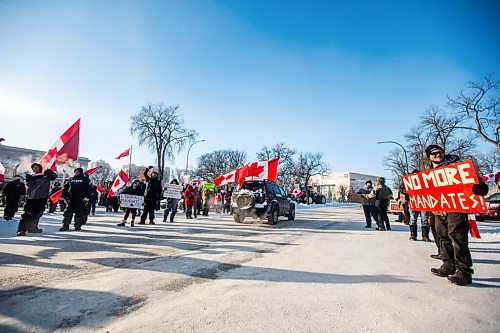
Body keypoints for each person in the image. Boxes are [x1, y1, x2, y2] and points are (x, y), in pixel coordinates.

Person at [426, 144, 488, 286]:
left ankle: (464, 272)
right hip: (438, 210)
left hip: (456, 209)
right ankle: (448, 265)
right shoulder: (428, 173)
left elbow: (479, 183)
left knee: (457, 239)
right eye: (433, 153)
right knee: (442, 237)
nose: (437, 154)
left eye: (439, 152)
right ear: (429, 157)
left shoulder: (457, 167)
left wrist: (480, 188)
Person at [16, 163, 57, 236]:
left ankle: (32, 228)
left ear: (40, 168)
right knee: (27, 214)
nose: (35, 168)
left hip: (42, 197)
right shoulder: (31, 176)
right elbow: (28, 185)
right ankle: (21, 230)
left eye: (37, 167)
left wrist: (51, 173)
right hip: (32, 197)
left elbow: (54, 177)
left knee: (38, 213)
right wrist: (29, 180)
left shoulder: (46, 176)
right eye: (34, 167)